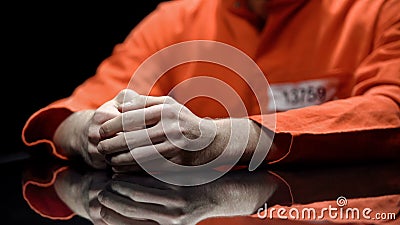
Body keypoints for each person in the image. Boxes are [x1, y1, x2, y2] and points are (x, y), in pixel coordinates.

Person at [22, 0, 400, 173]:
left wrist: (217, 139)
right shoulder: (173, 21)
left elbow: (390, 111)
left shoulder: (382, 9)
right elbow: (70, 114)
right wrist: (91, 130)